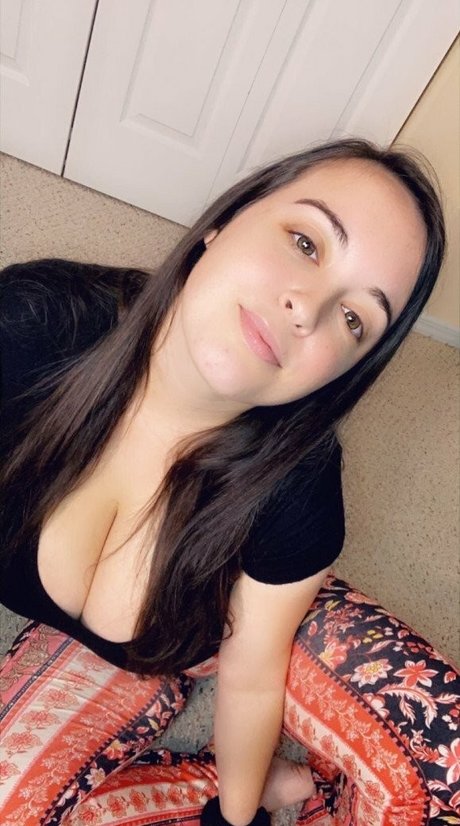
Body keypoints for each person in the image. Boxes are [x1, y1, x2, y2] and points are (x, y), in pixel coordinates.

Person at [0, 137, 446, 826]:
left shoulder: (298, 484)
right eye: (306, 243)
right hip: (91, 659)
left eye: (355, 318)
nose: (307, 310)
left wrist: (235, 821)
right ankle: (237, 775)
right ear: (226, 221)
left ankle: (249, 782)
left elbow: (253, 674)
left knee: (447, 757)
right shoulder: (30, 327)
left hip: (247, 627)